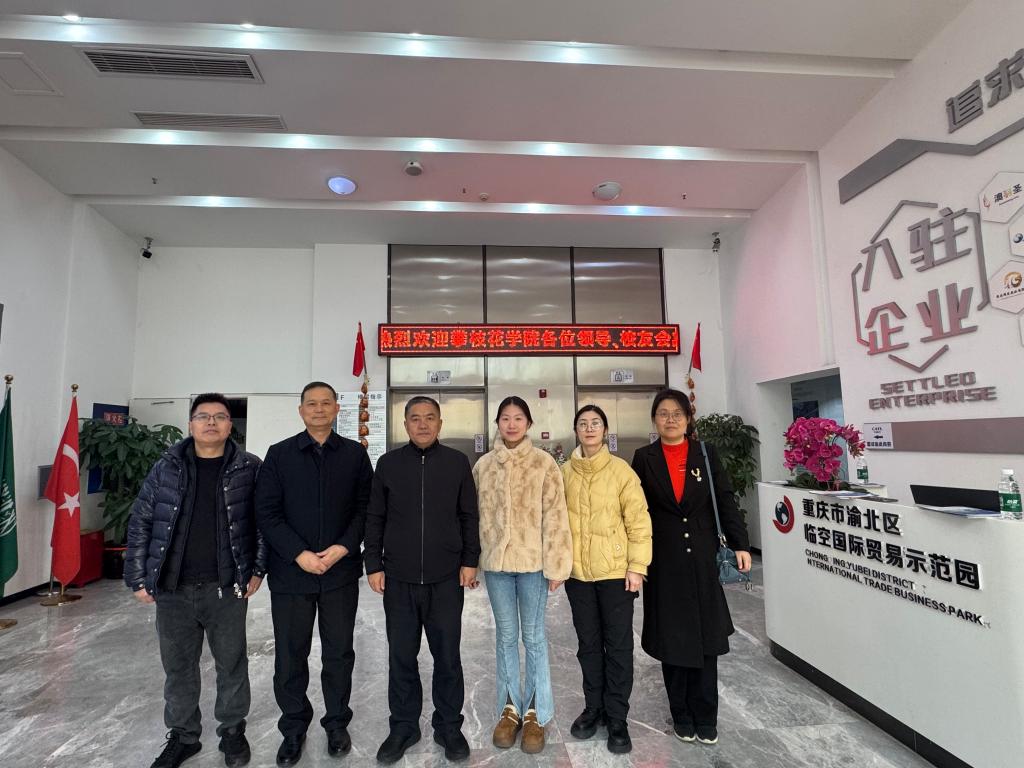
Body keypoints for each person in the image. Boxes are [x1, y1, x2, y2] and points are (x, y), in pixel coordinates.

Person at [125, 393, 266, 768]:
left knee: (231, 663)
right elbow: (141, 520)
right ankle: (184, 736)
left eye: (220, 417)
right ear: (190, 424)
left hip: (226, 586)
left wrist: (257, 569)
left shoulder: (249, 467)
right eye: (203, 416)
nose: (211, 423)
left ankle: (232, 731)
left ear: (230, 426)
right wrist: (137, 575)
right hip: (173, 587)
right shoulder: (166, 467)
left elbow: (262, 523)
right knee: (178, 667)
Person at [255, 381, 373, 767]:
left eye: (326, 403)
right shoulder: (279, 455)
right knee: (291, 654)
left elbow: (366, 508)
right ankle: (293, 728)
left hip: (340, 573)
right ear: (301, 410)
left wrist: (343, 547)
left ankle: (336, 723)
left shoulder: (355, 454)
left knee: (339, 653)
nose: (319, 409)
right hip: (292, 574)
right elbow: (266, 512)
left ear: (337, 408)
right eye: (311, 404)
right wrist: (299, 554)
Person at [364, 395, 481, 764]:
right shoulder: (388, 464)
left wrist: (470, 560)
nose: (423, 424)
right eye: (415, 418)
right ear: (405, 424)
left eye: (430, 417)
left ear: (440, 423)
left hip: (446, 579)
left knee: (447, 657)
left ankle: (448, 726)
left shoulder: (457, 462)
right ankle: (403, 726)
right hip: (398, 578)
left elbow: (469, 515)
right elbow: (375, 517)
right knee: (401, 656)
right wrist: (373, 564)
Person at [630, 388, 751, 746]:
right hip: (663, 559)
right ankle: (681, 713)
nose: (670, 419)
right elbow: (635, 510)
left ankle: (706, 715)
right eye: (663, 413)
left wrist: (740, 543)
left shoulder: (705, 454)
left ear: (687, 419)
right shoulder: (644, 457)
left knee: (706, 637)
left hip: (702, 556)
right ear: (655, 419)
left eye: (677, 414)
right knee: (673, 638)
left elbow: (725, 500)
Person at [472, 396, 572, 755]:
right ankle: (509, 709)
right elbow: (472, 518)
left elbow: (557, 516)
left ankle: (536, 713)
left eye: (518, 418)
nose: (511, 424)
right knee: (505, 637)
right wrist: (471, 562)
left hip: (533, 566)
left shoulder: (544, 463)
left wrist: (558, 564)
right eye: (505, 418)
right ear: (497, 423)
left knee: (533, 637)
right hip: (497, 566)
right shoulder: (483, 466)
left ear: (528, 423)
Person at [561, 404, 652, 754]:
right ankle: (593, 708)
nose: (589, 428)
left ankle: (617, 717)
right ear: (576, 430)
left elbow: (639, 521)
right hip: (579, 575)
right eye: (583, 423)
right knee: (588, 645)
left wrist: (637, 566)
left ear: (605, 430)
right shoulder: (564, 473)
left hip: (616, 574)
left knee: (618, 646)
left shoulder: (621, 471)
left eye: (595, 423)